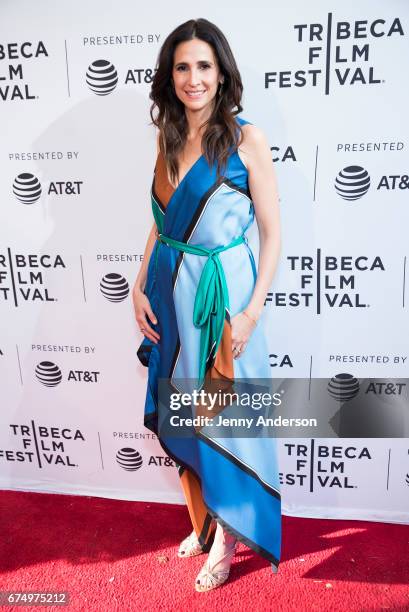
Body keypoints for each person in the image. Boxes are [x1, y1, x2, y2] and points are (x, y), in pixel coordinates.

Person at [133, 17, 281, 592]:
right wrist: (141, 281)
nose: (193, 78)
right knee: (181, 409)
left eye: (203, 66)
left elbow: (272, 232)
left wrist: (251, 313)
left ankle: (229, 534)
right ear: (170, 78)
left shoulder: (248, 140)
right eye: (182, 67)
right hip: (171, 292)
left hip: (224, 299)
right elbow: (159, 222)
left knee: (223, 418)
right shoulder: (167, 138)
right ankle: (205, 517)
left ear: (222, 74)